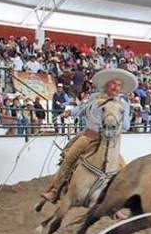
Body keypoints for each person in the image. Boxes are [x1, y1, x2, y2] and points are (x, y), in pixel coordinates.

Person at [40, 69, 137, 203]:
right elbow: (82, 108)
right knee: (69, 158)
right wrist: (70, 113)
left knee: (122, 170)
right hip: (89, 137)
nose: (116, 87)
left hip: (107, 143)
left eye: (119, 85)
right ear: (107, 85)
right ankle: (55, 190)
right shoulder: (95, 98)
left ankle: (114, 204)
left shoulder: (123, 104)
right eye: (113, 84)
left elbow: (126, 125)